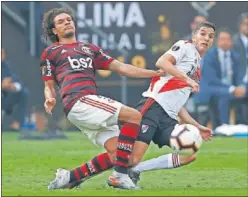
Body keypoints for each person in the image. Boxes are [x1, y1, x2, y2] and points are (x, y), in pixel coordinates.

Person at [49, 21, 214, 189]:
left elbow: (177, 101)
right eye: (203, 34)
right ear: (194, 36)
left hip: (168, 118)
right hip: (152, 107)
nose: (206, 38)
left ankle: (128, 171)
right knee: (128, 158)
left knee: (190, 150)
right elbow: (162, 62)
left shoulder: (197, 64)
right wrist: (186, 79)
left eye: (210, 36)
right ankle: (75, 176)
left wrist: (196, 125)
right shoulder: (185, 46)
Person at [40, 8, 164, 190]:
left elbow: (122, 68)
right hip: (79, 101)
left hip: (87, 105)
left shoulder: (89, 48)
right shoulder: (51, 52)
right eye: (60, 21)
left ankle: (69, 177)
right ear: (53, 30)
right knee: (134, 116)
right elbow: (48, 85)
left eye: (69, 19)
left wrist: (154, 73)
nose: (67, 22)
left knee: (119, 155)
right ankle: (120, 177)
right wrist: (49, 98)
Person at [196, 28, 246, 127]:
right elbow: (212, 79)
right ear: (217, 41)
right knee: (224, 94)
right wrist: (231, 89)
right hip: (212, 88)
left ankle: (243, 127)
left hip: (233, 89)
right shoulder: (209, 56)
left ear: (231, 42)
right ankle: (224, 127)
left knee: (244, 92)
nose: (225, 42)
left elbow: (242, 74)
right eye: (222, 39)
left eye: (227, 39)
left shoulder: (236, 56)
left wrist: (241, 86)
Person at [1, 48, 29, 131]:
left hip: (4, 98)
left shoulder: (6, 66)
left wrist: (13, 86)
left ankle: (17, 124)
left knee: (24, 93)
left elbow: (16, 80)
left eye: (2, 53)